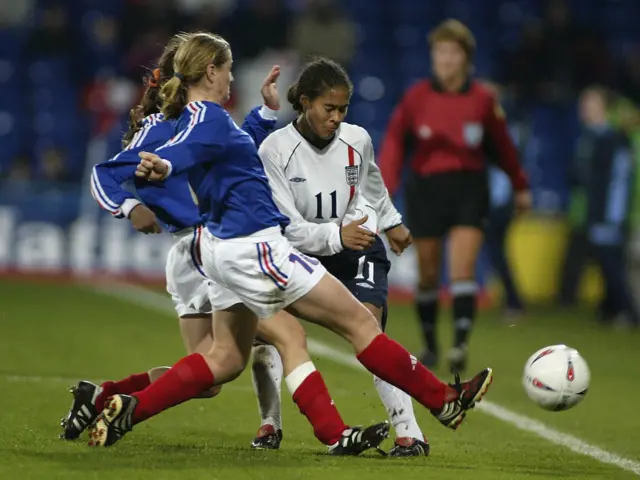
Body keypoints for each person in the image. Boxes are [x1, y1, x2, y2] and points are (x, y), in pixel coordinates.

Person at [88, 31, 493, 448]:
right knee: (357, 322)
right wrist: (143, 193)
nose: (231, 80)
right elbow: (173, 156)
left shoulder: (199, 119)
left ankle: (130, 410)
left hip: (221, 250)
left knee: (225, 360)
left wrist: (250, 120)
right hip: (256, 246)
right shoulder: (207, 118)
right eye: (227, 70)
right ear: (211, 71)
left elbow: (191, 153)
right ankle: (440, 401)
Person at [252, 57, 427, 457]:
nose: (336, 118)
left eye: (343, 109)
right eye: (328, 109)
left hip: (356, 248)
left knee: (369, 329)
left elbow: (373, 184)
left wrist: (392, 221)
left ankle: (410, 433)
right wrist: (336, 235)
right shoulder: (275, 150)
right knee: (266, 333)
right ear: (306, 103)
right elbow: (286, 226)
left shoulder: (358, 139)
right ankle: (269, 424)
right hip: (299, 252)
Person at [378, 19, 531, 372]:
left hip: (468, 188)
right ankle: (431, 343)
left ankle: (460, 345)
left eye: (452, 52)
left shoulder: (482, 100)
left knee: (462, 270)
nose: (445, 59)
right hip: (426, 190)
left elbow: (503, 147)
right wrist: (387, 190)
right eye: (439, 52)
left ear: (465, 59)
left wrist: (520, 185)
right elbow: (395, 146)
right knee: (429, 274)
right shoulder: (416, 97)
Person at [567, 86, 639, 327]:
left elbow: (618, 183)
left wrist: (611, 217)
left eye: (590, 103)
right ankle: (609, 310)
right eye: (583, 102)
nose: (584, 108)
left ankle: (630, 313)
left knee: (612, 264)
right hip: (595, 211)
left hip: (609, 215)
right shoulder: (588, 137)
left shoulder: (614, 140)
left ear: (604, 108)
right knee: (604, 262)